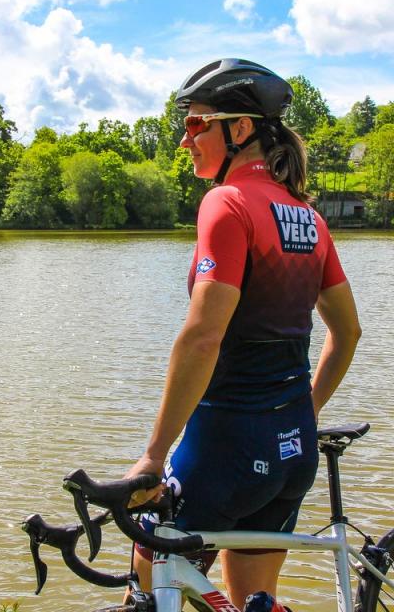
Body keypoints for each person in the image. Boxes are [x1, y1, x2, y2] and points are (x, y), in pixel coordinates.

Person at [125, 59, 361, 611]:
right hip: (292, 450)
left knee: (149, 576)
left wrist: (154, 457)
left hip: (224, 450)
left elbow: (203, 336)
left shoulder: (226, 203)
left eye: (197, 123)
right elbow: (347, 332)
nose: (186, 139)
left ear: (240, 129)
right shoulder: (308, 216)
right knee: (256, 600)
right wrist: (306, 408)